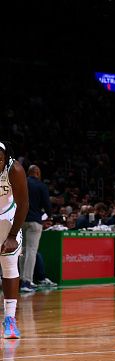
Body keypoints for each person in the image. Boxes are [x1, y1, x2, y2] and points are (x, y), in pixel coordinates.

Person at [0, 142, 29, 338]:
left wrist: (12, 236)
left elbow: (24, 204)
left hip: (7, 218)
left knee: (9, 263)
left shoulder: (14, 169)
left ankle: (10, 320)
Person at [20, 165, 51, 292]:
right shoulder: (40, 185)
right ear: (37, 173)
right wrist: (46, 216)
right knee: (31, 251)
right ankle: (27, 282)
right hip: (34, 221)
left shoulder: (21, 182)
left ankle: (21, 279)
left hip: (21, 220)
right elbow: (47, 206)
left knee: (22, 250)